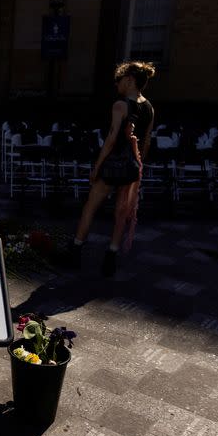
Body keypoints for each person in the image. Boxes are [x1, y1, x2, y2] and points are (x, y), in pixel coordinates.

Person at [68, 61, 156, 276]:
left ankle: (75, 251)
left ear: (129, 80)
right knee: (121, 212)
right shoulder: (149, 108)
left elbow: (111, 138)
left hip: (113, 163)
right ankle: (110, 257)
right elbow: (146, 140)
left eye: (119, 80)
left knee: (91, 206)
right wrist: (138, 163)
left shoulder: (121, 104)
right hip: (132, 165)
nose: (116, 85)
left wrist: (97, 166)